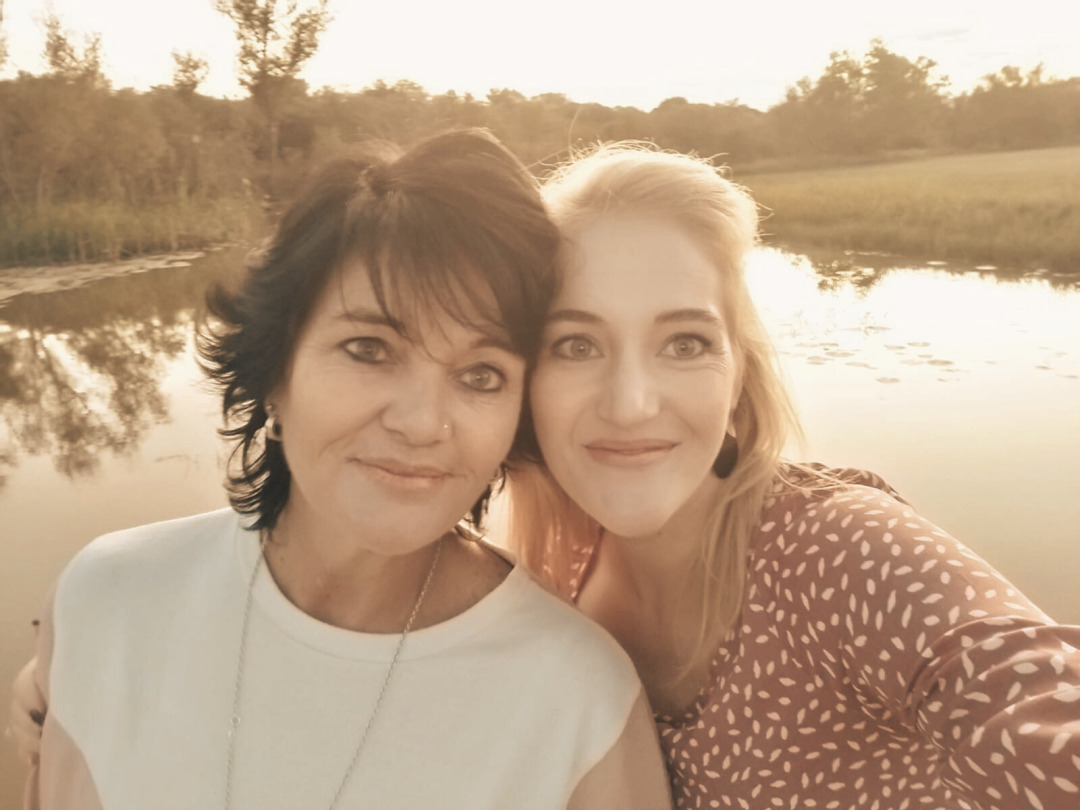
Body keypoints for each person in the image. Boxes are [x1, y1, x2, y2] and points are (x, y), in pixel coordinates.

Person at [9, 130, 672, 810]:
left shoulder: (580, 704)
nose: (421, 422)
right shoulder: (106, 604)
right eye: (369, 349)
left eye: (481, 375)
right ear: (276, 369)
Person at [507, 144, 1080, 810]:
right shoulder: (557, 569)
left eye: (685, 343)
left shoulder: (840, 549)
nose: (631, 403)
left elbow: (1032, 698)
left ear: (738, 375)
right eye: (575, 345)